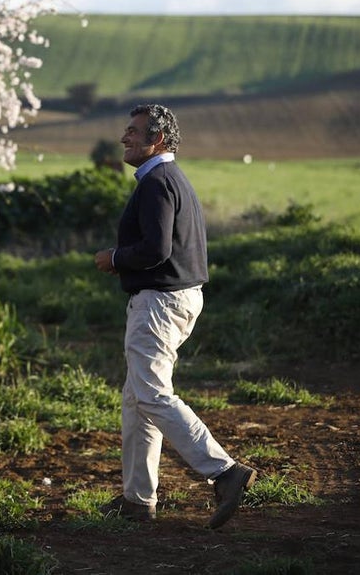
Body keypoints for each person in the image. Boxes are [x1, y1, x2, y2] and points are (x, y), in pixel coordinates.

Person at [93, 103, 256, 529]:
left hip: (159, 302)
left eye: (133, 131)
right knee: (137, 397)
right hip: (174, 298)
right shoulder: (168, 179)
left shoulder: (157, 182)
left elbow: (155, 250)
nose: (124, 137)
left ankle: (224, 471)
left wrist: (114, 257)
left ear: (157, 140)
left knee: (151, 395)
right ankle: (137, 499)